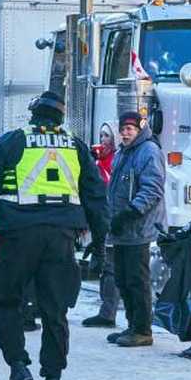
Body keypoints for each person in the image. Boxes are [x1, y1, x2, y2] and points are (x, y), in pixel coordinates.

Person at [0, 91, 108, 380]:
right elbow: (97, 197)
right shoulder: (76, 146)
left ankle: (18, 367)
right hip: (61, 238)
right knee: (55, 310)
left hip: (18, 235)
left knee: (4, 299)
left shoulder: (13, 141)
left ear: (33, 115)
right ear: (61, 116)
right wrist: (100, 243)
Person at [106, 111, 166, 347]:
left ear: (140, 130)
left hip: (138, 227)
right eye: (122, 129)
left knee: (136, 279)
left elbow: (152, 189)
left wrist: (131, 212)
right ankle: (132, 326)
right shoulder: (123, 152)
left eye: (130, 129)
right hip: (123, 228)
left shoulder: (148, 151)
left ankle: (142, 329)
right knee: (123, 278)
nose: (125, 133)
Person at [82, 122, 120, 328]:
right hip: (104, 218)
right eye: (101, 135)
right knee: (108, 268)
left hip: (113, 219)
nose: (103, 140)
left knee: (111, 267)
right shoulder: (100, 161)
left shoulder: (115, 161)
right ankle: (106, 311)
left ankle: (108, 313)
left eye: (107, 136)